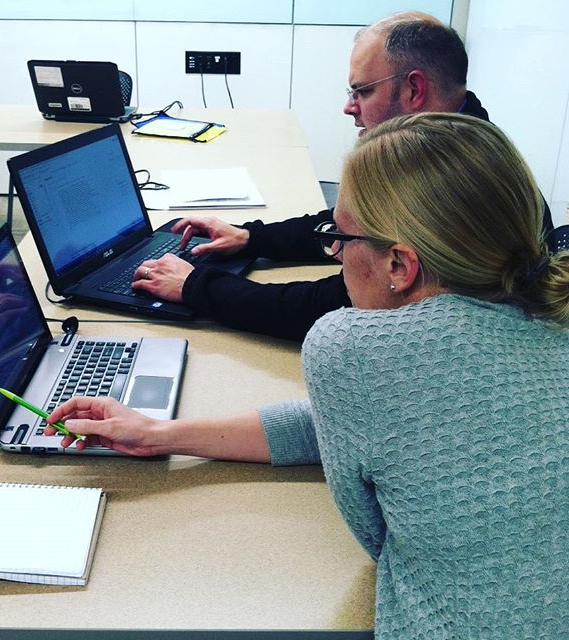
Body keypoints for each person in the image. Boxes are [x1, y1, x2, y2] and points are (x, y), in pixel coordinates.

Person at [47, 113, 569, 637]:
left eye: (340, 237)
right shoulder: (545, 312)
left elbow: (377, 533)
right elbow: (370, 425)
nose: (334, 252)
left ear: (399, 266)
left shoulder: (350, 349)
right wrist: (160, 434)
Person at [131, 13, 555, 342]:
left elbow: (330, 306)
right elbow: (348, 226)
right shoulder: (465, 142)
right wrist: (251, 238)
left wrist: (197, 286)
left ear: (414, 90)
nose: (349, 107)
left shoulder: (458, 180)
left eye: (363, 91)